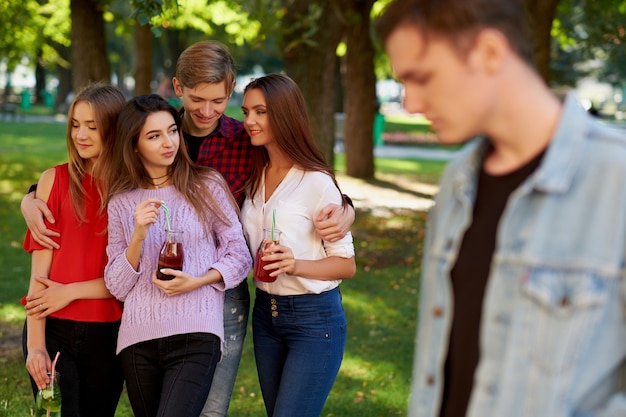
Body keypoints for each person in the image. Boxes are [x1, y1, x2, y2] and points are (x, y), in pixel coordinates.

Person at [20, 40, 355, 417]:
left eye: (219, 100)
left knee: (210, 411)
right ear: (178, 89)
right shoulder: (156, 128)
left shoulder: (247, 140)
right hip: (147, 302)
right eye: (197, 99)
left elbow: (298, 175)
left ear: (230, 91)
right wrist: (32, 195)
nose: (207, 110)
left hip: (221, 294)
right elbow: (91, 171)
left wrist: (346, 208)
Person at [375, 1, 626, 417]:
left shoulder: (615, 180)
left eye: (422, 78)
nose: (412, 104)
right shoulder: (458, 180)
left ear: (490, 52)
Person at [101, 94, 252, 417]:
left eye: (172, 131)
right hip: (138, 339)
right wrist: (138, 235)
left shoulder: (207, 184)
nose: (168, 142)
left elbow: (239, 254)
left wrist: (198, 280)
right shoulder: (121, 202)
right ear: (134, 144)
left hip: (196, 333)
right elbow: (117, 285)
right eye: (154, 136)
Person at [239, 74, 356, 417]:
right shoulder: (254, 174)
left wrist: (294, 265)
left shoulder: (316, 182)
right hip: (265, 316)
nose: (249, 121)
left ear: (285, 114)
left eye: (260, 112)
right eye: (246, 111)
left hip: (314, 319)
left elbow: (346, 264)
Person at [21, 84, 126, 417]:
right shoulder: (54, 180)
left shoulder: (131, 190)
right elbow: (40, 275)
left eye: (92, 126)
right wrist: (35, 346)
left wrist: (70, 292)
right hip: (53, 328)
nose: (81, 134)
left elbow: (130, 276)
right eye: (76, 124)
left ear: (114, 128)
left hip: (109, 331)